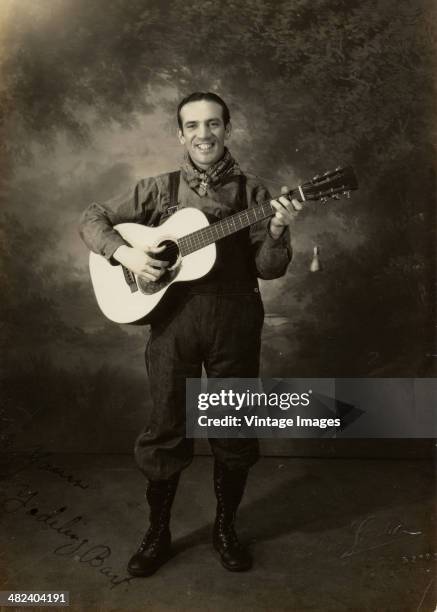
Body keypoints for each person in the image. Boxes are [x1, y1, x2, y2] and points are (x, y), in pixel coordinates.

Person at [79, 91, 301, 577]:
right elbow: (91, 218)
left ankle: (225, 528)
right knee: (165, 429)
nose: (204, 134)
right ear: (181, 134)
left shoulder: (256, 194)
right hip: (173, 322)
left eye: (213, 124)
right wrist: (127, 254)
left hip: (236, 323)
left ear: (227, 129)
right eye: (193, 125)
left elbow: (268, 269)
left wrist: (280, 232)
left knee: (234, 427)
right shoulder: (159, 190)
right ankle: (158, 533)